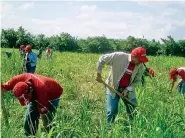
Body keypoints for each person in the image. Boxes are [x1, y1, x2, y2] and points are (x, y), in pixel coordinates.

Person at [96, 47, 149, 125]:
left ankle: (133, 126)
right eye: (140, 59)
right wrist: (98, 74)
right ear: (133, 56)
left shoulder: (140, 66)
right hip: (112, 87)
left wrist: (127, 90)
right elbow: (102, 59)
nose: (141, 62)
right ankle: (109, 130)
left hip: (127, 89)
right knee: (112, 110)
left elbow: (137, 81)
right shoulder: (118, 56)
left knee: (133, 108)